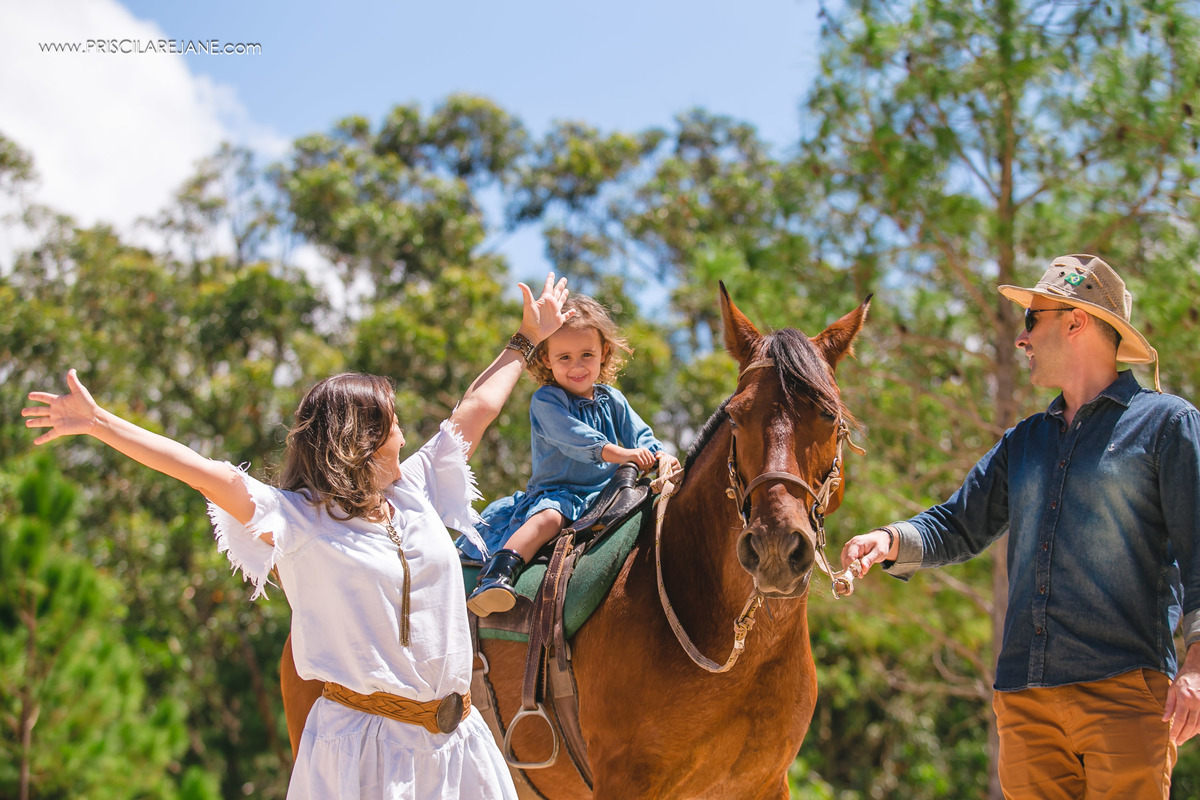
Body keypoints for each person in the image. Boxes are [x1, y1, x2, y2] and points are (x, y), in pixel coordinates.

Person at [21, 274, 574, 800]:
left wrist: (527, 337)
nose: (405, 433)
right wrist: (97, 422)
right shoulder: (298, 520)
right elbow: (201, 472)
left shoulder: (413, 489)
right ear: (362, 438)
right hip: (366, 755)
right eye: (393, 421)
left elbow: (475, 410)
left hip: (458, 746)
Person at [841, 254, 1200, 799]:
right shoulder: (1024, 441)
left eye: (1032, 319)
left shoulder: (1168, 424)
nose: (1021, 338)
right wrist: (889, 540)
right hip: (1025, 702)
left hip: (1126, 694)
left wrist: (1197, 664)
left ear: (1076, 321)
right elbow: (958, 524)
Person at [460, 294, 681, 617]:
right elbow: (573, 437)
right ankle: (498, 574)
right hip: (560, 493)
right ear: (546, 359)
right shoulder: (546, 400)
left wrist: (661, 455)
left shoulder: (612, 399)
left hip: (607, 494)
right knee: (549, 519)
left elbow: (641, 435)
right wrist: (620, 453)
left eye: (586, 355)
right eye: (564, 357)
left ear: (604, 353)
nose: (577, 366)